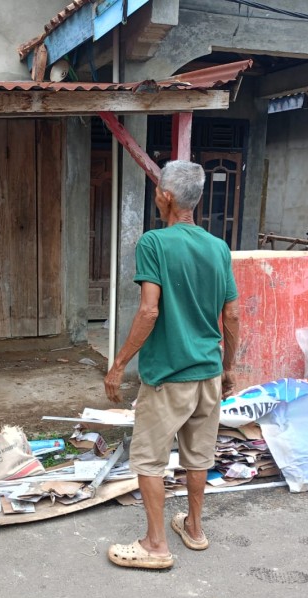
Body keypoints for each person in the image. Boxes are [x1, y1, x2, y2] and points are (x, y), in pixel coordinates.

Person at [103, 160, 240, 570]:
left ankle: (155, 544)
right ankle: (194, 530)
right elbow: (231, 315)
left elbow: (148, 312)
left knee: (148, 460)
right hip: (208, 374)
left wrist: (118, 365)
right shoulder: (218, 248)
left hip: (167, 377)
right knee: (199, 456)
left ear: (165, 196)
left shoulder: (154, 243)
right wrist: (228, 367)